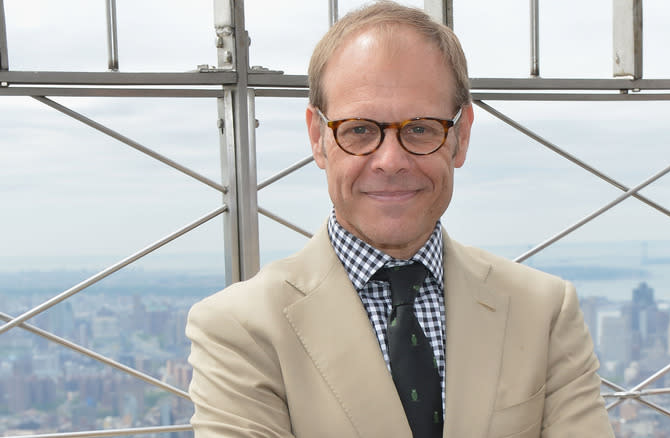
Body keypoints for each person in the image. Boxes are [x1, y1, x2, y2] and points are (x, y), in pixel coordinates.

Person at [185, 2, 615, 437]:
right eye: (358, 130)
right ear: (318, 139)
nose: (390, 161)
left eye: (421, 128)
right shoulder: (237, 328)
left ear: (461, 137)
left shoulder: (544, 311)